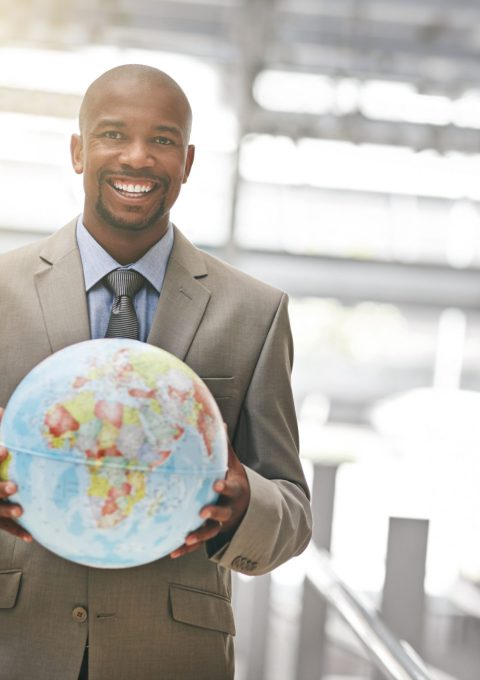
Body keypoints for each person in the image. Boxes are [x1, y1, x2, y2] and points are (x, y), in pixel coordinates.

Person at [0, 64, 312, 680]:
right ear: (77, 150)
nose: (137, 158)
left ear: (188, 161)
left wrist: (247, 500)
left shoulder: (255, 311)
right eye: (113, 134)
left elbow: (294, 510)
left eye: (163, 140)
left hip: (171, 658)